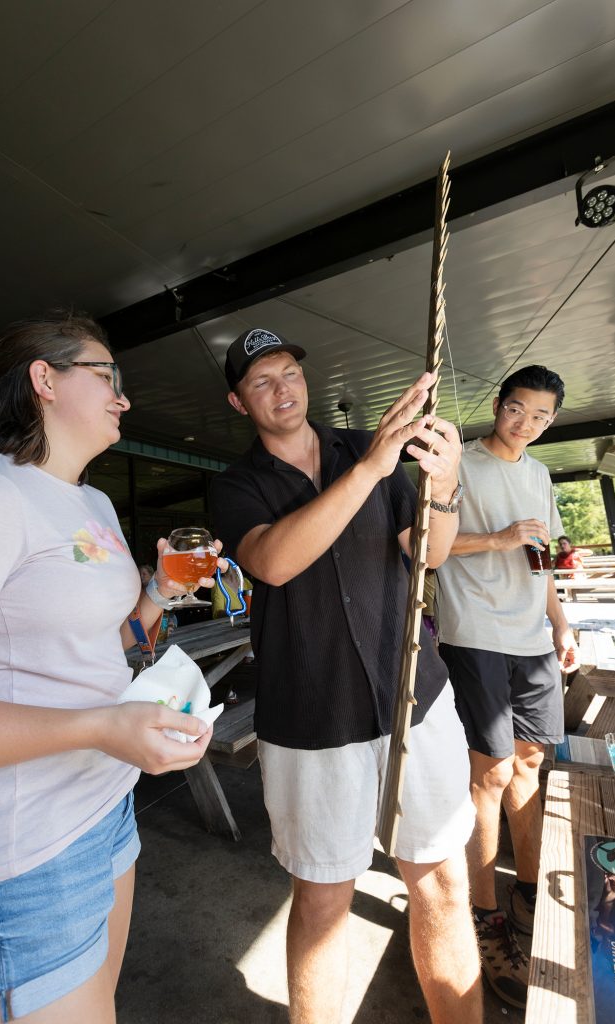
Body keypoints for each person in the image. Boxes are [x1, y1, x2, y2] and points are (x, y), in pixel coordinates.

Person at [0, 311, 220, 1023]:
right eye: (107, 377)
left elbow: (105, 644)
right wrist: (102, 726)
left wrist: (158, 594)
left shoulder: (89, 501)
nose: (124, 398)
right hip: (22, 849)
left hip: (105, 810)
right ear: (44, 380)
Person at [210, 328, 482, 1024]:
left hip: (414, 698)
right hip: (311, 715)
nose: (282, 389)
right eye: (261, 381)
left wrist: (444, 488)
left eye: (288, 371)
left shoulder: (368, 448)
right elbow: (271, 562)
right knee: (325, 900)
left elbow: (429, 554)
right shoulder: (236, 485)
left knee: (444, 881)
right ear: (238, 402)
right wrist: (369, 470)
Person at [435, 364, 578, 1009]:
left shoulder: (540, 474)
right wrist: (497, 536)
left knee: (530, 765)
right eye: (518, 409)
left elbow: (540, 559)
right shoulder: (457, 462)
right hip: (475, 634)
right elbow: (423, 546)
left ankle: (526, 895)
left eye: (541, 417)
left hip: (531, 639)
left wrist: (561, 621)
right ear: (498, 403)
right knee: (488, 773)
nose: (527, 424)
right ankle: (483, 916)